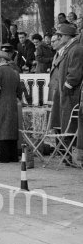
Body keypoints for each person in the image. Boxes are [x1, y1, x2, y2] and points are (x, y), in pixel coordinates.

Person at [50, 24, 83, 162]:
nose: (59, 37)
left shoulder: (76, 49)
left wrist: (67, 86)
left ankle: (72, 155)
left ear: (67, 37)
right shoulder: (70, 49)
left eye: (60, 35)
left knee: (70, 124)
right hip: (66, 93)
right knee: (66, 124)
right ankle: (68, 154)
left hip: (71, 94)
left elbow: (75, 72)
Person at [0, 50, 22, 163]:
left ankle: (3, 156)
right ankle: (13, 156)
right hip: (12, 104)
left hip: (0, 104)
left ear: (1, 60)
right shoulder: (15, 72)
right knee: (10, 129)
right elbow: (19, 90)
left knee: (0, 129)